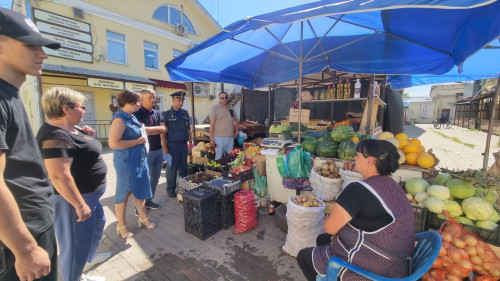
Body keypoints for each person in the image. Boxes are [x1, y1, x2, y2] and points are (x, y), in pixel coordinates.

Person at [296, 139, 415, 281]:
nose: (354, 158)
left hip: (374, 271)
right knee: (322, 239)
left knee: (303, 256)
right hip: (398, 266)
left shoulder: (357, 190)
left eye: (358, 155)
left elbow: (329, 228)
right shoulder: (393, 186)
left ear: (370, 161)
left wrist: (329, 220)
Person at [0, 8, 61, 281]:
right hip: (22, 238)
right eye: (29, 44)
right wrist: (24, 248)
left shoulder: (9, 94)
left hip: (32, 228)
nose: (42, 54)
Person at [36, 87, 110, 281]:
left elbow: (79, 150)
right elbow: (59, 176)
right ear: (66, 108)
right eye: (81, 106)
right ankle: (73, 275)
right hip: (73, 201)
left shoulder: (71, 129)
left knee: (95, 230)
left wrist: (86, 136)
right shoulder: (55, 136)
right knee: (75, 244)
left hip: (90, 196)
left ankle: (84, 263)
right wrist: (79, 205)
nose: (84, 110)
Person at [109, 89, 157, 240]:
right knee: (125, 193)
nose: (139, 104)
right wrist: (137, 142)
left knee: (139, 190)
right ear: (130, 103)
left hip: (139, 160)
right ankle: (121, 225)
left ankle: (143, 218)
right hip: (127, 163)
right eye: (138, 102)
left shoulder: (131, 117)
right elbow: (113, 143)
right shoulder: (119, 119)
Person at [133, 89, 167, 209]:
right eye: (150, 97)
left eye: (154, 97)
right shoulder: (137, 113)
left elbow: (164, 129)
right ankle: (139, 207)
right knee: (143, 179)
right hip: (145, 151)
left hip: (158, 150)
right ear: (142, 99)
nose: (153, 99)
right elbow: (142, 131)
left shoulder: (157, 113)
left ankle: (149, 200)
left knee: (155, 177)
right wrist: (155, 129)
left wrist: (164, 147)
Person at [161, 91, 192, 198]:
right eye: (178, 100)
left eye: (182, 100)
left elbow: (188, 130)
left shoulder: (185, 113)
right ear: (173, 100)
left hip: (183, 145)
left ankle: (182, 188)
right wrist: (164, 147)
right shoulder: (166, 113)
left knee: (183, 168)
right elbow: (162, 132)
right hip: (170, 145)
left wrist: (190, 143)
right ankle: (170, 189)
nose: (181, 102)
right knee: (171, 168)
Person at [209, 91, 239, 160]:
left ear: (228, 98)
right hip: (219, 138)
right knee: (219, 158)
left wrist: (237, 132)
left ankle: (227, 171)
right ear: (219, 99)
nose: (224, 99)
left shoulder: (231, 108)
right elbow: (212, 124)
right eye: (222, 98)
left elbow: (236, 120)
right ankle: (218, 171)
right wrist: (211, 139)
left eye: (226, 98)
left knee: (230, 158)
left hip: (230, 138)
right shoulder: (215, 108)